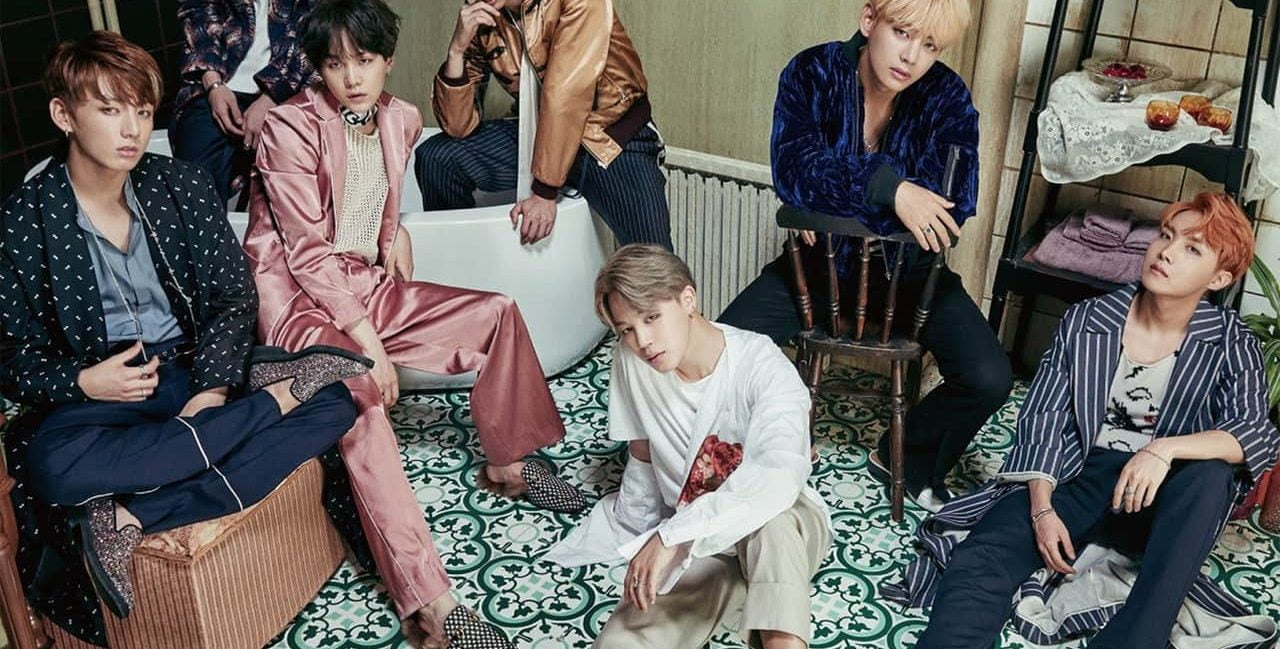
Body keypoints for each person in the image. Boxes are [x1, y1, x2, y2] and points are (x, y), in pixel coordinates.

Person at [242, 1, 584, 645]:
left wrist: (395, 228)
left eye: (364, 60)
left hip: (362, 283)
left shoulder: (401, 119)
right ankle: (428, 601)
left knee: (497, 314)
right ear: (318, 69)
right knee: (362, 392)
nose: (351, 77)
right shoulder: (288, 127)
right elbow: (306, 253)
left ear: (388, 60)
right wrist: (369, 346)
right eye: (334, 64)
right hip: (297, 299)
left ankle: (510, 463)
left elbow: (369, 198)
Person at [0, 30, 366, 620]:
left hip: (194, 368)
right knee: (51, 467)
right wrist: (85, 382)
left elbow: (232, 296)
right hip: (103, 395)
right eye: (110, 110)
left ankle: (130, 512)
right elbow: (13, 356)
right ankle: (274, 402)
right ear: (63, 115)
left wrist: (212, 389)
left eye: (143, 111)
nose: (131, 130)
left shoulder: (181, 186)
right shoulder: (22, 221)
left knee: (337, 402)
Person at [886, 193, 1280, 649]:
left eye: (1192, 249)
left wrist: (1163, 449)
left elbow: (1256, 433)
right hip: (1078, 476)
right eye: (1166, 236)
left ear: (1219, 277)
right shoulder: (1088, 319)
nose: (1166, 252)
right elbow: (1043, 419)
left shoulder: (1231, 341)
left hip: (1159, 497)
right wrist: (1042, 510)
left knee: (1210, 476)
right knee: (982, 557)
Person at [717, 0, 1010, 511]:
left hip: (911, 280)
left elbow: (952, 207)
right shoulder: (812, 72)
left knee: (990, 378)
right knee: (720, 355)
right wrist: (892, 190)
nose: (911, 56)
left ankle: (907, 456)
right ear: (870, 20)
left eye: (930, 45)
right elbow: (795, 171)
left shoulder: (948, 97)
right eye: (902, 32)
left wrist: (823, 205)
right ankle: (771, 448)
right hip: (818, 273)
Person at [546, 245, 833, 649]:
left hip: (782, 523)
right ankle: (741, 593)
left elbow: (777, 477)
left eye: (651, 317)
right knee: (622, 641)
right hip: (702, 543)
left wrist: (670, 537)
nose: (642, 341)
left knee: (772, 524)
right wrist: (642, 532)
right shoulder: (631, 360)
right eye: (626, 329)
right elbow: (643, 453)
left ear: (687, 299)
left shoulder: (762, 364)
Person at [416, 0, 672, 248]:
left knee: (654, 261)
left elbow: (566, 93)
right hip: (538, 132)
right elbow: (458, 127)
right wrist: (456, 50)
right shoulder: (484, 15)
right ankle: (455, 269)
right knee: (438, 157)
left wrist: (544, 191)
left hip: (607, 138)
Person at [173, 0, 316, 202]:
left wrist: (271, 98)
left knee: (290, 181)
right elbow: (199, 15)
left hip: (289, 89)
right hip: (219, 83)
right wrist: (214, 85)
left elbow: (316, 40)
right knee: (193, 183)